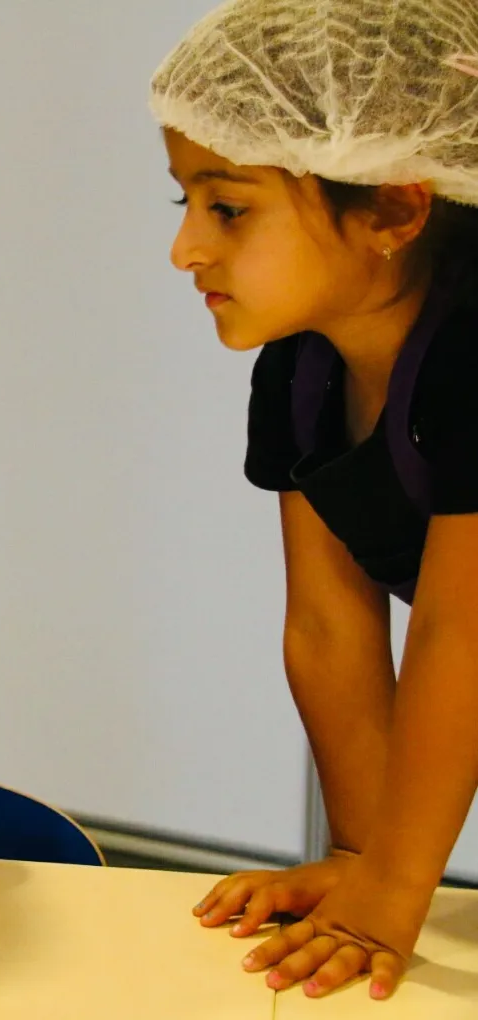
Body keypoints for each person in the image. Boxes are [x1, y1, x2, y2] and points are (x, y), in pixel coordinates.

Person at [151, 0, 478, 1001]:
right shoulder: (299, 372)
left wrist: (391, 894)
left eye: (229, 207)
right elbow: (330, 623)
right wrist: (360, 855)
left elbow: (460, 636)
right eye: (184, 204)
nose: (187, 251)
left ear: (392, 208)